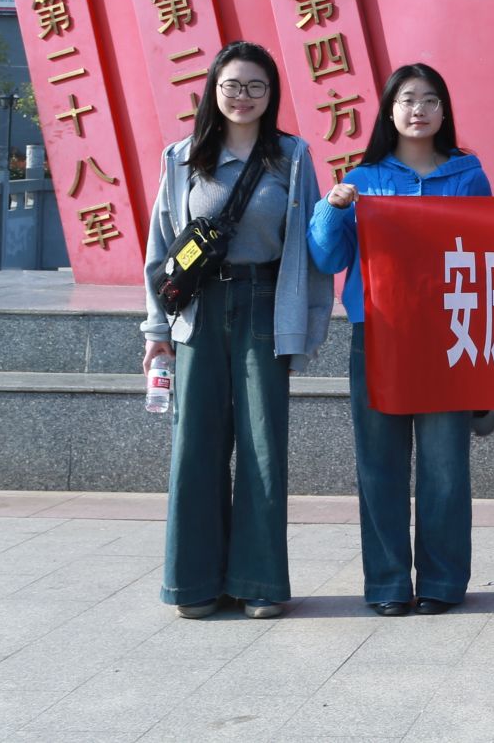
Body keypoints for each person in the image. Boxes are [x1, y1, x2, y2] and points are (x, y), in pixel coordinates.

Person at [140, 40, 332, 619]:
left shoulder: (293, 157)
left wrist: (307, 330)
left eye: (255, 86)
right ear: (213, 91)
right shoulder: (181, 157)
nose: (242, 97)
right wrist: (156, 329)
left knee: (262, 446)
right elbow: (161, 247)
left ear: (271, 94)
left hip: (264, 306)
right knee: (195, 444)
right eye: (231, 85)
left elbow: (308, 250)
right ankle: (193, 582)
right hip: (198, 312)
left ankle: (259, 581)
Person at [308, 63, 491, 617]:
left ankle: (442, 582)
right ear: (390, 110)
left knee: (445, 468)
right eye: (408, 99)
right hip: (379, 338)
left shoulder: (468, 176)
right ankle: (387, 583)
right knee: (380, 465)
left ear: (444, 111)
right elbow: (328, 258)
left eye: (430, 100)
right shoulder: (362, 180)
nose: (419, 110)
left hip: (447, 338)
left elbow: (488, 256)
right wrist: (331, 208)